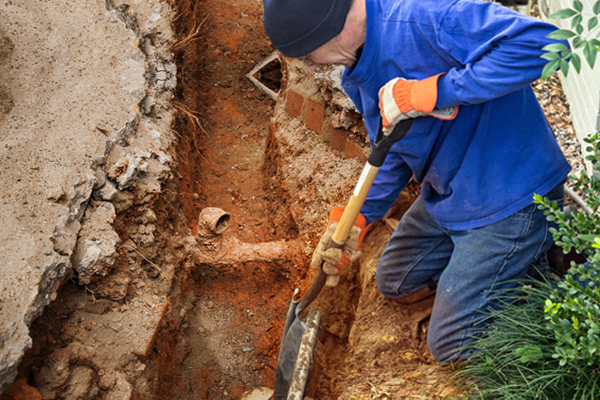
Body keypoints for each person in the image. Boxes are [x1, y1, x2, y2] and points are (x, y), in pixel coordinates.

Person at [262, 0, 570, 363]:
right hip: (453, 194)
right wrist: (357, 218)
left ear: (332, 26)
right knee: (394, 281)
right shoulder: (357, 71)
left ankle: (543, 280)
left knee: (454, 346)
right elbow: (390, 148)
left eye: (308, 54)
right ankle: (496, 272)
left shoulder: (426, 16)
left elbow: (548, 44)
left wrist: (437, 91)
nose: (312, 65)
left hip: (511, 194)